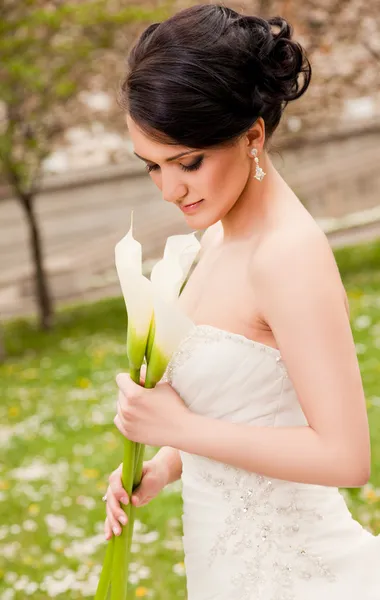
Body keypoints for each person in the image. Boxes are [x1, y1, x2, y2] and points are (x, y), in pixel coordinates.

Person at [102, 4, 380, 599]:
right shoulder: (220, 235)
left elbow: (346, 457)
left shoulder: (287, 255)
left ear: (252, 135)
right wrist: (165, 462)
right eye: (151, 166)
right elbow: (248, 404)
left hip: (299, 578)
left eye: (188, 162)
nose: (170, 189)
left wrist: (180, 427)